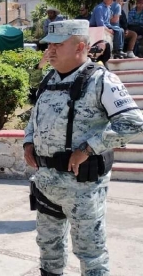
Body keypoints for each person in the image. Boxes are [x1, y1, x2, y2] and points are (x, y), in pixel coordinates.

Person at [25, 19, 143, 276]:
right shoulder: (49, 79)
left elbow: (133, 124)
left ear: (80, 46)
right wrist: (28, 140)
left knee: (91, 253)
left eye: (58, 44)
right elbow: (35, 114)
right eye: (49, 45)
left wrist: (88, 148)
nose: (50, 50)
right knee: (48, 248)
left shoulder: (101, 80)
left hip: (82, 188)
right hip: (46, 184)